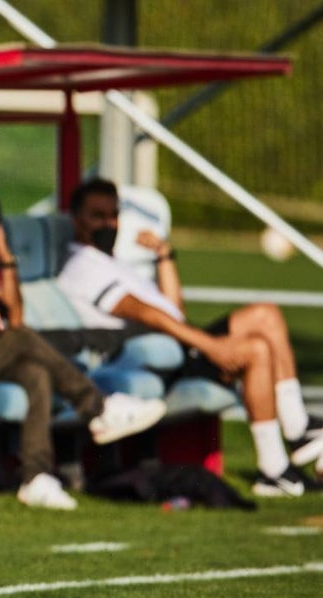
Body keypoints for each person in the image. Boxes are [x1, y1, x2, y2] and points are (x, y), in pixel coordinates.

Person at [57, 178, 323, 497]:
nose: (108, 224)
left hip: (175, 343)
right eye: (97, 216)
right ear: (75, 219)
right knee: (256, 349)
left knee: (266, 315)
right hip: (149, 354)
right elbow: (148, 314)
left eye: (113, 216)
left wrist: (164, 255)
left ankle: (295, 430)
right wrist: (210, 345)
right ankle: (275, 469)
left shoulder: (113, 262)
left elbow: (173, 309)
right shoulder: (81, 266)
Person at [0, 190, 167, 510]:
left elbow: (16, 317)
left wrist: (5, 254)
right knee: (22, 338)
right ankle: (97, 408)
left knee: (35, 372)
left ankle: (34, 478)